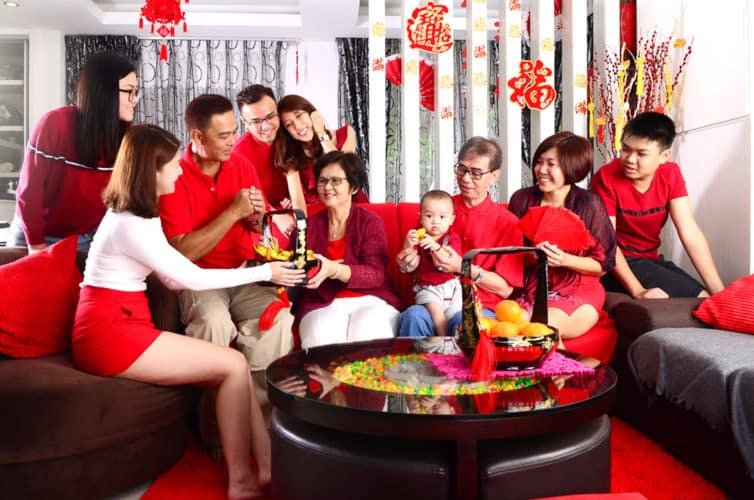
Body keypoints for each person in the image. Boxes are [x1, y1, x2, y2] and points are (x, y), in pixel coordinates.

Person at [72, 124, 305, 499]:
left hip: (124, 323)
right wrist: (266, 272)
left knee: (234, 366)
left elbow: (173, 278)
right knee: (233, 365)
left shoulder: (140, 216)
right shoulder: (131, 225)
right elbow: (189, 277)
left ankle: (265, 465)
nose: (180, 170)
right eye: (173, 164)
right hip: (108, 333)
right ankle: (242, 480)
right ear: (151, 171)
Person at [158, 94, 294, 452]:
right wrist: (233, 212)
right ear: (197, 137)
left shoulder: (241, 165)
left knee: (278, 322)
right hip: (200, 279)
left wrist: (257, 218)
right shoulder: (174, 176)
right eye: (223, 135)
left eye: (235, 131)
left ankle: (263, 432)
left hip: (244, 273)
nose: (234, 141)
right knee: (213, 324)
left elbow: (257, 226)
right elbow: (182, 250)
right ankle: (217, 435)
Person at [7, 52, 137, 253]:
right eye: (129, 90)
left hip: (85, 237)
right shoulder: (54, 124)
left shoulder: (128, 137)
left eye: (136, 91)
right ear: (104, 92)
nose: (134, 99)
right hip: (35, 233)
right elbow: (29, 192)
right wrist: (36, 246)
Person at [397, 136, 524, 337]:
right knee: (412, 316)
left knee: (464, 321)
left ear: (494, 176)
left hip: (479, 304)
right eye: (462, 169)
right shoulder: (438, 209)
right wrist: (406, 262)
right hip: (434, 300)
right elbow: (414, 261)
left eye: (476, 173)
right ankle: (415, 360)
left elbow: (506, 289)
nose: (465, 178)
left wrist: (462, 267)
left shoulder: (507, 222)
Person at [590, 111, 724, 298]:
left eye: (641, 154)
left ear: (664, 156)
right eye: (626, 149)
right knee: (700, 296)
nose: (630, 159)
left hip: (650, 260)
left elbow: (690, 232)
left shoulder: (670, 174)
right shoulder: (606, 177)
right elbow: (607, 243)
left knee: (708, 295)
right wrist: (638, 291)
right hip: (615, 264)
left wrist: (721, 293)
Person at [508, 132, 617, 339]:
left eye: (551, 164)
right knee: (508, 327)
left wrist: (564, 259)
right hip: (533, 287)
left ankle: (562, 360)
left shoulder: (589, 204)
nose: (541, 170)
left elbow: (604, 265)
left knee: (542, 328)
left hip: (577, 288)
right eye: (539, 162)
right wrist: (533, 256)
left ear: (572, 167)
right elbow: (510, 252)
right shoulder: (522, 199)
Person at [296, 150, 401, 348]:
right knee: (321, 346)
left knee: (366, 342)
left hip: (372, 299)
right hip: (322, 302)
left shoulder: (369, 221)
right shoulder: (307, 226)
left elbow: (375, 274)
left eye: (336, 181)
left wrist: (334, 270)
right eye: (322, 181)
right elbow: (294, 266)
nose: (327, 187)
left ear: (353, 187)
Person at [272, 94, 368, 212]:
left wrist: (321, 132)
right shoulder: (291, 156)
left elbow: (343, 172)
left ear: (311, 114)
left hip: (353, 208)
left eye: (299, 115)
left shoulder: (345, 133)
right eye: (288, 125)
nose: (298, 126)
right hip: (320, 215)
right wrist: (299, 215)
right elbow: (298, 203)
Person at [402, 190, 462, 336]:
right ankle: (444, 343)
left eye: (442, 217)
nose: (435, 221)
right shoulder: (420, 238)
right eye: (429, 216)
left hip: (452, 287)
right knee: (438, 316)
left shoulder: (451, 238)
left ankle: (456, 345)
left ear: (451, 220)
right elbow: (409, 260)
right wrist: (408, 244)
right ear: (421, 218)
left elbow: (450, 259)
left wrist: (435, 246)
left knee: (457, 318)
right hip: (428, 288)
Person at [234, 84, 289, 209]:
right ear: (244, 121)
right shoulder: (239, 154)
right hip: (267, 215)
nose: (266, 126)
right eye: (256, 121)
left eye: (270, 116)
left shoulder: (291, 132)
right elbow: (250, 203)